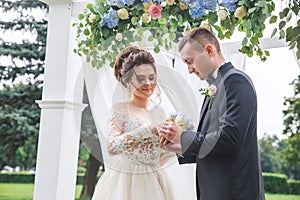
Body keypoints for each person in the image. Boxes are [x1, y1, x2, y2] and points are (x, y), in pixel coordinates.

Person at [159, 27, 265, 200]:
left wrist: (183, 136)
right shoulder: (216, 85)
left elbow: (229, 139)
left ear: (209, 50)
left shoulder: (236, 81)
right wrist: (177, 147)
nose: (189, 70)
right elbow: (211, 142)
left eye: (190, 61)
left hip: (234, 194)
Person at [92, 46, 180, 200]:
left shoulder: (159, 112)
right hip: (127, 180)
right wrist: (149, 130)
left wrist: (175, 143)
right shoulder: (119, 110)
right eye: (140, 78)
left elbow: (161, 155)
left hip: (156, 179)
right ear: (127, 80)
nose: (148, 83)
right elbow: (112, 147)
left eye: (151, 77)